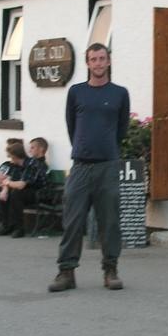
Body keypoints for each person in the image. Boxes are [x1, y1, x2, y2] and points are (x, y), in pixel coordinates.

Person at [49, 43, 129, 292]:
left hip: (108, 165)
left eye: (102, 58)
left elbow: (122, 130)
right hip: (81, 166)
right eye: (93, 59)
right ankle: (66, 272)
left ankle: (110, 269)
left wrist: (106, 150)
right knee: (72, 220)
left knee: (110, 221)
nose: (97, 63)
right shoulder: (76, 92)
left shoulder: (119, 93)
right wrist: (84, 148)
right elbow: (72, 126)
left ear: (109, 61)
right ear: (87, 63)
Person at [0, 137, 49, 238]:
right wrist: (6, 188)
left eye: (32, 148)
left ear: (41, 149)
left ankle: (19, 228)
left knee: (16, 193)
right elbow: (14, 180)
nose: (29, 150)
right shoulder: (29, 162)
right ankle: (6, 225)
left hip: (39, 193)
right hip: (26, 190)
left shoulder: (36, 164)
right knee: (5, 193)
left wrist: (7, 183)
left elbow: (21, 184)